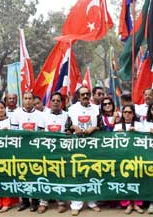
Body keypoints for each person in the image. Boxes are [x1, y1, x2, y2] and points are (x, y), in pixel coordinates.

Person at [67, 86, 101, 216]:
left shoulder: (96, 109)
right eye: (83, 94)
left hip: (92, 146)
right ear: (78, 96)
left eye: (87, 94)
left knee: (92, 173)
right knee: (77, 174)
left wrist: (94, 128)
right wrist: (73, 127)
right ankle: (76, 204)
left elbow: (101, 126)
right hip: (76, 147)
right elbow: (67, 127)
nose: (85, 96)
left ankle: (92, 202)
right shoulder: (72, 109)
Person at [11, 92, 45, 212]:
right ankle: (24, 201)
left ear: (33, 100)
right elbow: (14, 133)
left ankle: (34, 202)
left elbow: (40, 133)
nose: (28, 101)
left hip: (35, 149)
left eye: (30, 98)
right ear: (23, 101)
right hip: (21, 149)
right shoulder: (16, 114)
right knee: (22, 175)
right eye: (25, 98)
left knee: (35, 175)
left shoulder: (41, 115)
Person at [42, 92, 72, 213]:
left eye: (58, 100)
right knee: (44, 176)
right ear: (50, 102)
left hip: (61, 151)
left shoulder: (67, 115)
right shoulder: (44, 116)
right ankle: (43, 202)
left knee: (60, 176)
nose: (55, 102)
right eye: (53, 100)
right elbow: (39, 133)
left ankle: (61, 201)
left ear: (61, 103)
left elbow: (69, 131)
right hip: (46, 150)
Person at [0, 101, 19, 213]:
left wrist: (9, 132)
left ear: (5, 109)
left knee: (7, 178)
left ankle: (7, 202)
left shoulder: (11, 120)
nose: (0, 110)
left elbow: (17, 133)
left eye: (2, 108)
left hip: (8, 154)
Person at [114, 104, 144, 214]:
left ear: (133, 114)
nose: (127, 114)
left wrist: (136, 133)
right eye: (125, 112)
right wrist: (117, 134)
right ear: (122, 114)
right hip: (123, 157)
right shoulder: (117, 126)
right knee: (124, 179)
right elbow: (111, 142)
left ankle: (136, 204)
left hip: (136, 156)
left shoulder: (139, 125)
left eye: (129, 112)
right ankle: (127, 204)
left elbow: (146, 139)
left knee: (137, 179)